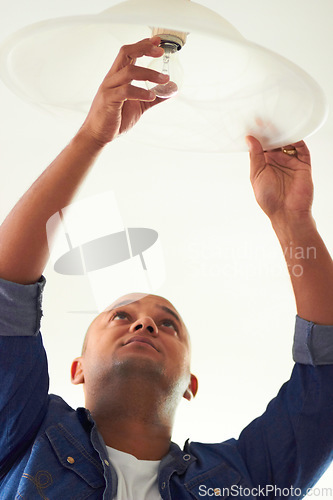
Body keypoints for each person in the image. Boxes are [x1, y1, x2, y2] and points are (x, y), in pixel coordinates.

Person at [0, 36, 332, 500]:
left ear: (189, 383)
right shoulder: (20, 436)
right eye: (121, 315)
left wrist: (293, 220)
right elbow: (5, 292)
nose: (144, 323)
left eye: (168, 324)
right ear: (76, 369)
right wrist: (92, 136)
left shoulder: (247, 480)